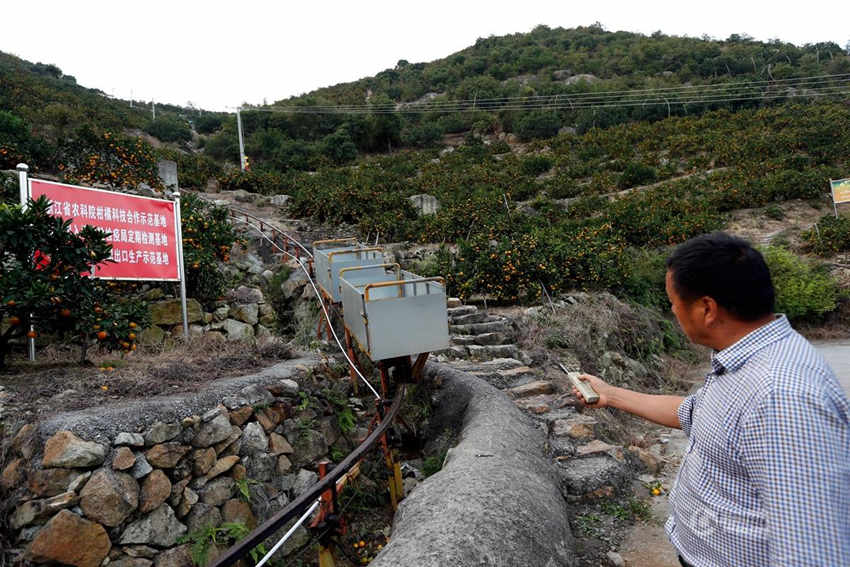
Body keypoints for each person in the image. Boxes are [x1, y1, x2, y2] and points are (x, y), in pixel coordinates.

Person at [573, 232, 850, 567]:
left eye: (673, 302)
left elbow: (810, 551)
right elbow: (691, 412)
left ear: (706, 308)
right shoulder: (745, 360)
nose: (672, 311)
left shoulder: (782, 397)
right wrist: (610, 394)